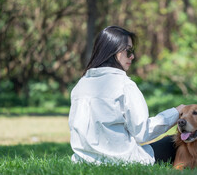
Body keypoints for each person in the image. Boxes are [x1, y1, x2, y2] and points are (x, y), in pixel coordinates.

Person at [68, 25, 184, 165]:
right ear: (114, 51)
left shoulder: (80, 85)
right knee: (173, 141)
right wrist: (175, 113)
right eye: (129, 51)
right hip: (122, 160)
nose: (132, 56)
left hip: (83, 160)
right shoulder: (124, 85)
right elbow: (142, 133)